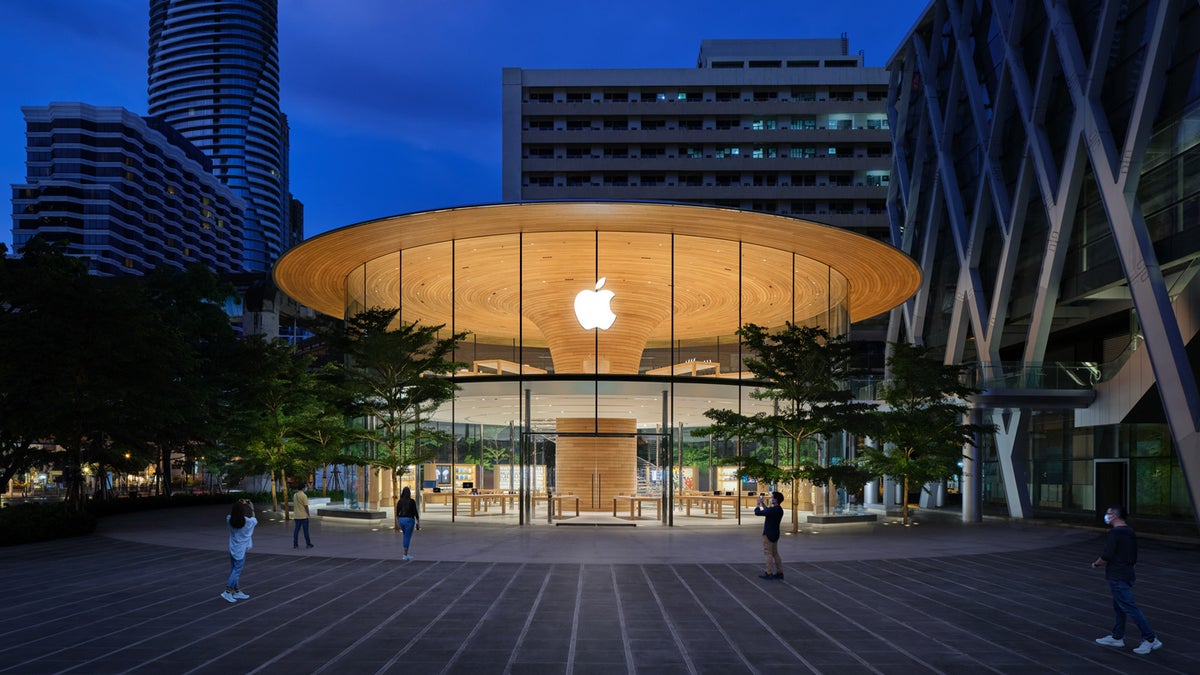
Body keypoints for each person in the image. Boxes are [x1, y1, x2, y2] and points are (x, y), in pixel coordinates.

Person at [1092, 504, 1162, 654]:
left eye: (1108, 513)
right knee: (1119, 607)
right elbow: (1134, 554)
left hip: (1117, 575)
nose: (1106, 515)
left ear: (1114, 516)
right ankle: (1117, 637)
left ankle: (1150, 639)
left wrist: (1096, 564)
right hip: (1127, 573)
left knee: (1130, 608)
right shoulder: (1129, 531)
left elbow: (1107, 554)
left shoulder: (1115, 533)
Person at [222, 499, 257, 603]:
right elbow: (254, 520)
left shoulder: (229, 519)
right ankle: (227, 591)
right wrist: (252, 508)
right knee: (236, 571)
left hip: (232, 548)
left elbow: (232, 515)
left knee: (234, 571)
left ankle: (236, 591)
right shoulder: (247, 522)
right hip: (241, 550)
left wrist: (237, 503)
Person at [754, 490, 785, 580]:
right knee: (775, 553)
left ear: (776, 500)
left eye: (772, 497)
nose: (771, 499)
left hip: (768, 534)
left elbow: (758, 512)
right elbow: (768, 511)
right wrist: (763, 503)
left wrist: (758, 504)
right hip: (775, 533)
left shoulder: (773, 510)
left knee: (768, 553)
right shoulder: (779, 510)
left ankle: (768, 572)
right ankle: (780, 572)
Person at [395, 486, 420, 561]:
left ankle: (406, 553)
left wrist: (398, 522)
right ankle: (405, 554)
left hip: (401, 520)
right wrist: (418, 522)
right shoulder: (412, 501)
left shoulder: (400, 501)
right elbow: (415, 512)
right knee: (407, 537)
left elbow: (397, 512)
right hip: (409, 520)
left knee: (405, 535)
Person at [292, 482, 314, 549]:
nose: (305, 488)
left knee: (296, 530)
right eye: (305, 487)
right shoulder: (304, 496)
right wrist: (308, 513)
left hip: (296, 515)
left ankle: (295, 544)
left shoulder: (295, 495)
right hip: (303, 516)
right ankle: (308, 544)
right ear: (303, 488)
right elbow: (306, 506)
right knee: (305, 531)